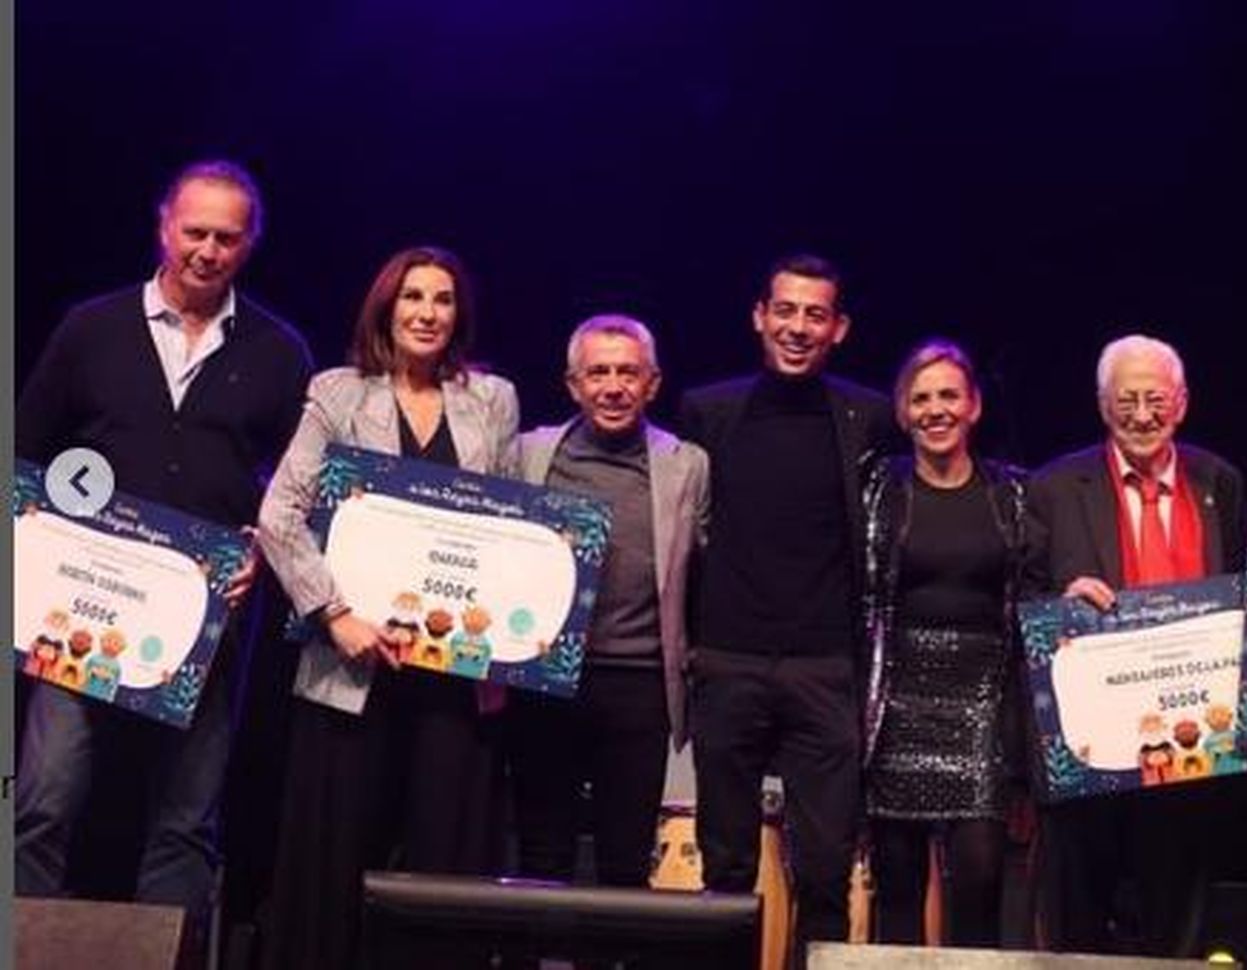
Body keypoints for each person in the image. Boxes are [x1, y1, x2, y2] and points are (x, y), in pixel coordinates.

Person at [14, 159, 312, 953]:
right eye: (195, 232)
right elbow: (24, 455)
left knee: (186, 820)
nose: (207, 250)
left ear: (249, 244)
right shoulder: (91, 328)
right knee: (45, 797)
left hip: (206, 620)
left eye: (226, 236)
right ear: (163, 227)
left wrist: (261, 549)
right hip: (81, 608)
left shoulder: (280, 354)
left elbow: (294, 493)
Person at [256, 246, 520, 970]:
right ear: (385, 308)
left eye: (442, 299)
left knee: (443, 871)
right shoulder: (339, 394)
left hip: (454, 676)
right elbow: (280, 516)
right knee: (337, 860)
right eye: (412, 298)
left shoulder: (492, 400)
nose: (427, 313)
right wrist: (335, 615)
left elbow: (507, 530)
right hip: (353, 669)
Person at [678, 254, 898, 955]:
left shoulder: (868, 417)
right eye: (786, 311)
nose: (798, 327)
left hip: (823, 667)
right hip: (728, 659)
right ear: (759, 316)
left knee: (828, 868)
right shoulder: (706, 412)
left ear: (839, 328)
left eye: (815, 315)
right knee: (727, 865)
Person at [1024, 334, 1245, 956]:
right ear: (1102, 405)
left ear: (1181, 402)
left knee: (1177, 919)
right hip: (1095, 743)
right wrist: (1062, 599)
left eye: (1156, 399)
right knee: (1081, 922)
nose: (1142, 414)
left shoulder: (1217, 481)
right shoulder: (1054, 487)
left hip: (1192, 742)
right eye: (1127, 400)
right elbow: (1022, 597)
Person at [510, 314, 709, 888]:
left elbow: (712, 566)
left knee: (625, 860)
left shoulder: (687, 464)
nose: (614, 386)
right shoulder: (529, 452)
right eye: (598, 372)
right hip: (547, 677)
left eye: (629, 372)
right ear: (573, 384)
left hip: (640, 681)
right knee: (543, 855)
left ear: (653, 383)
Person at [861, 339, 1028, 947]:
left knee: (981, 881)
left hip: (982, 709)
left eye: (949, 396)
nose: (936, 410)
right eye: (920, 397)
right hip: (896, 709)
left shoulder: (1015, 495)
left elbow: (1038, 590)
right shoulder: (876, 491)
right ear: (903, 412)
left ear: (974, 406)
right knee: (899, 887)